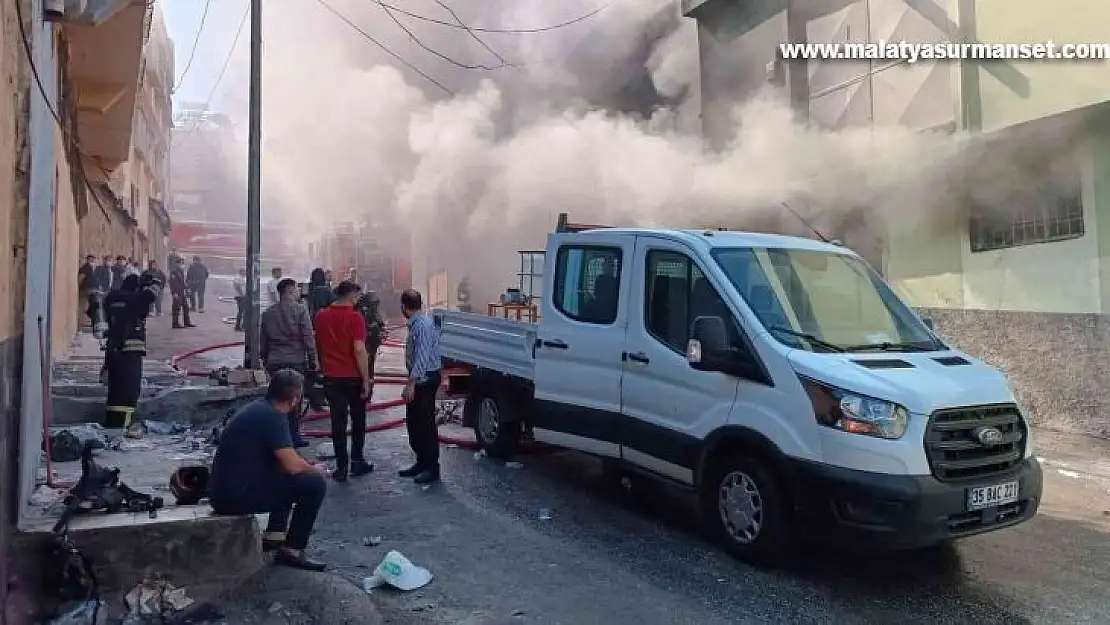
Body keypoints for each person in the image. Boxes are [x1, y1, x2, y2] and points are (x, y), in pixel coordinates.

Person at [209, 370, 329, 571]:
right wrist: (316, 469)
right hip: (233, 497)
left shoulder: (261, 409)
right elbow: (292, 465)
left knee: (285, 472)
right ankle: (293, 550)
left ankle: (275, 534)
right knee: (313, 484)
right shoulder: (273, 417)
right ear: (294, 400)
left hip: (224, 490)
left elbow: (283, 459)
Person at [313, 281, 374, 482]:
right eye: (358, 296)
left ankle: (341, 467)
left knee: (337, 423)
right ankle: (357, 462)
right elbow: (359, 350)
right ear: (351, 295)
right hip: (353, 377)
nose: (359, 300)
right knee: (358, 420)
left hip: (331, 378)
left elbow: (319, 345)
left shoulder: (320, 316)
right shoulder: (356, 318)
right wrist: (366, 380)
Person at [260, 278, 319, 448]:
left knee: (276, 401)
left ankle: (276, 437)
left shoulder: (268, 313)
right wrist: (313, 359)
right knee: (294, 402)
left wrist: (264, 360)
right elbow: (308, 337)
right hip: (296, 361)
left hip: (275, 361)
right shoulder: (300, 311)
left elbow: (262, 341)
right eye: (297, 289)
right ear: (291, 290)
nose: (299, 292)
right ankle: (293, 438)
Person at [101, 273, 162, 435]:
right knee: (129, 390)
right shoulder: (135, 300)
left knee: (115, 389)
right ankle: (122, 427)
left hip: (113, 350)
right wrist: (154, 282)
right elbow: (150, 296)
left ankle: (112, 423)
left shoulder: (112, 299)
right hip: (130, 353)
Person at [398, 289, 443, 484]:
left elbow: (422, 358)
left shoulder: (422, 326)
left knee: (425, 425)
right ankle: (421, 462)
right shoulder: (416, 324)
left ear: (403, 307)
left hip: (425, 380)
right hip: (419, 379)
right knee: (414, 423)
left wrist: (411, 384)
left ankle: (432, 468)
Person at [355, 290, 386, 384]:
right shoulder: (362, 309)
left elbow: (379, 320)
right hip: (366, 337)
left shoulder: (365, 308)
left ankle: (368, 377)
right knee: (367, 358)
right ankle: (367, 377)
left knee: (370, 357)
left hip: (371, 338)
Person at [169, 258, 195, 329]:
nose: (182, 264)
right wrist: (174, 292)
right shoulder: (174, 271)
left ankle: (187, 322)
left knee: (186, 307)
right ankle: (175, 323)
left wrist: (187, 288)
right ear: (178, 263)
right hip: (177, 292)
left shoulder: (180, 270)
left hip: (181, 292)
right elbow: (172, 282)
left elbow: (182, 282)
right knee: (176, 308)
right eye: (181, 263)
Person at [78, 254, 96, 327]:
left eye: (93, 260)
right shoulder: (85, 268)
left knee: (91, 306)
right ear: (87, 260)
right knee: (83, 306)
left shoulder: (91, 268)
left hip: (91, 289)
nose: (92, 261)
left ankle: (91, 323)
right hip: (85, 290)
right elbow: (81, 278)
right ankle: (80, 324)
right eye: (90, 260)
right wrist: (79, 287)